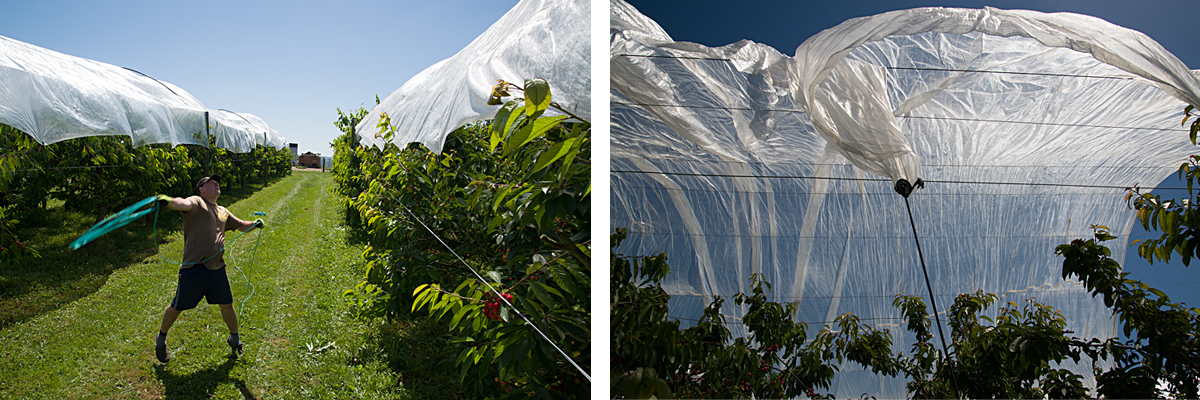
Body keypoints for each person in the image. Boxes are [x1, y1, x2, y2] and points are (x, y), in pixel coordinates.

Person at [153, 174, 263, 362]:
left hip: (216, 268)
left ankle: (235, 339)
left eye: (217, 182)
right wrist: (168, 202)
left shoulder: (223, 211)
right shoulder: (197, 202)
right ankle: (160, 340)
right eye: (210, 182)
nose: (216, 183)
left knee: (227, 304)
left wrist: (255, 224)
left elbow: (241, 226)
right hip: (193, 268)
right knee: (178, 306)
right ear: (201, 189)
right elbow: (183, 203)